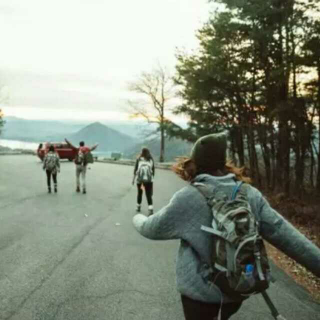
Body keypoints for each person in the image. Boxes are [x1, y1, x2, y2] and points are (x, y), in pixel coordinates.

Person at [132, 132, 320, 320]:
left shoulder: (188, 197)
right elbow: (288, 237)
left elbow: (151, 228)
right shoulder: (250, 194)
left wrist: (137, 217)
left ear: (196, 162)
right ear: (223, 162)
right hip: (235, 290)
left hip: (199, 295)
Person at [133, 147, 155, 215]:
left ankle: (138, 206)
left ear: (142, 152)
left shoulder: (139, 159)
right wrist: (151, 178)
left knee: (140, 193)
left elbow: (135, 169)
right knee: (148, 194)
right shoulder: (151, 159)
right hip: (148, 181)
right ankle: (150, 209)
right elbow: (153, 170)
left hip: (140, 181)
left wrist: (134, 178)